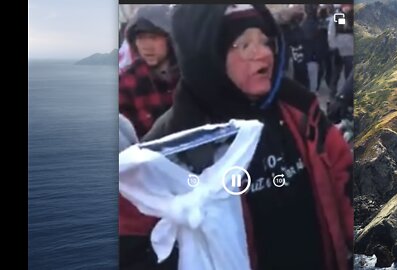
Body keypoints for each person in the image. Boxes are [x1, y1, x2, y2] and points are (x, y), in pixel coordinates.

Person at [122, 4, 353, 270]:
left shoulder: (302, 111)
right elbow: (134, 243)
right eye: (244, 45)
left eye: (266, 42)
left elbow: (346, 189)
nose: (262, 54)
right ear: (208, 55)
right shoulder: (173, 143)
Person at [119, 5, 179, 138]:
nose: (146, 46)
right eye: (140, 38)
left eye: (153, 37)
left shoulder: (188, 72)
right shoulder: (127, 81)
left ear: (169, 39)